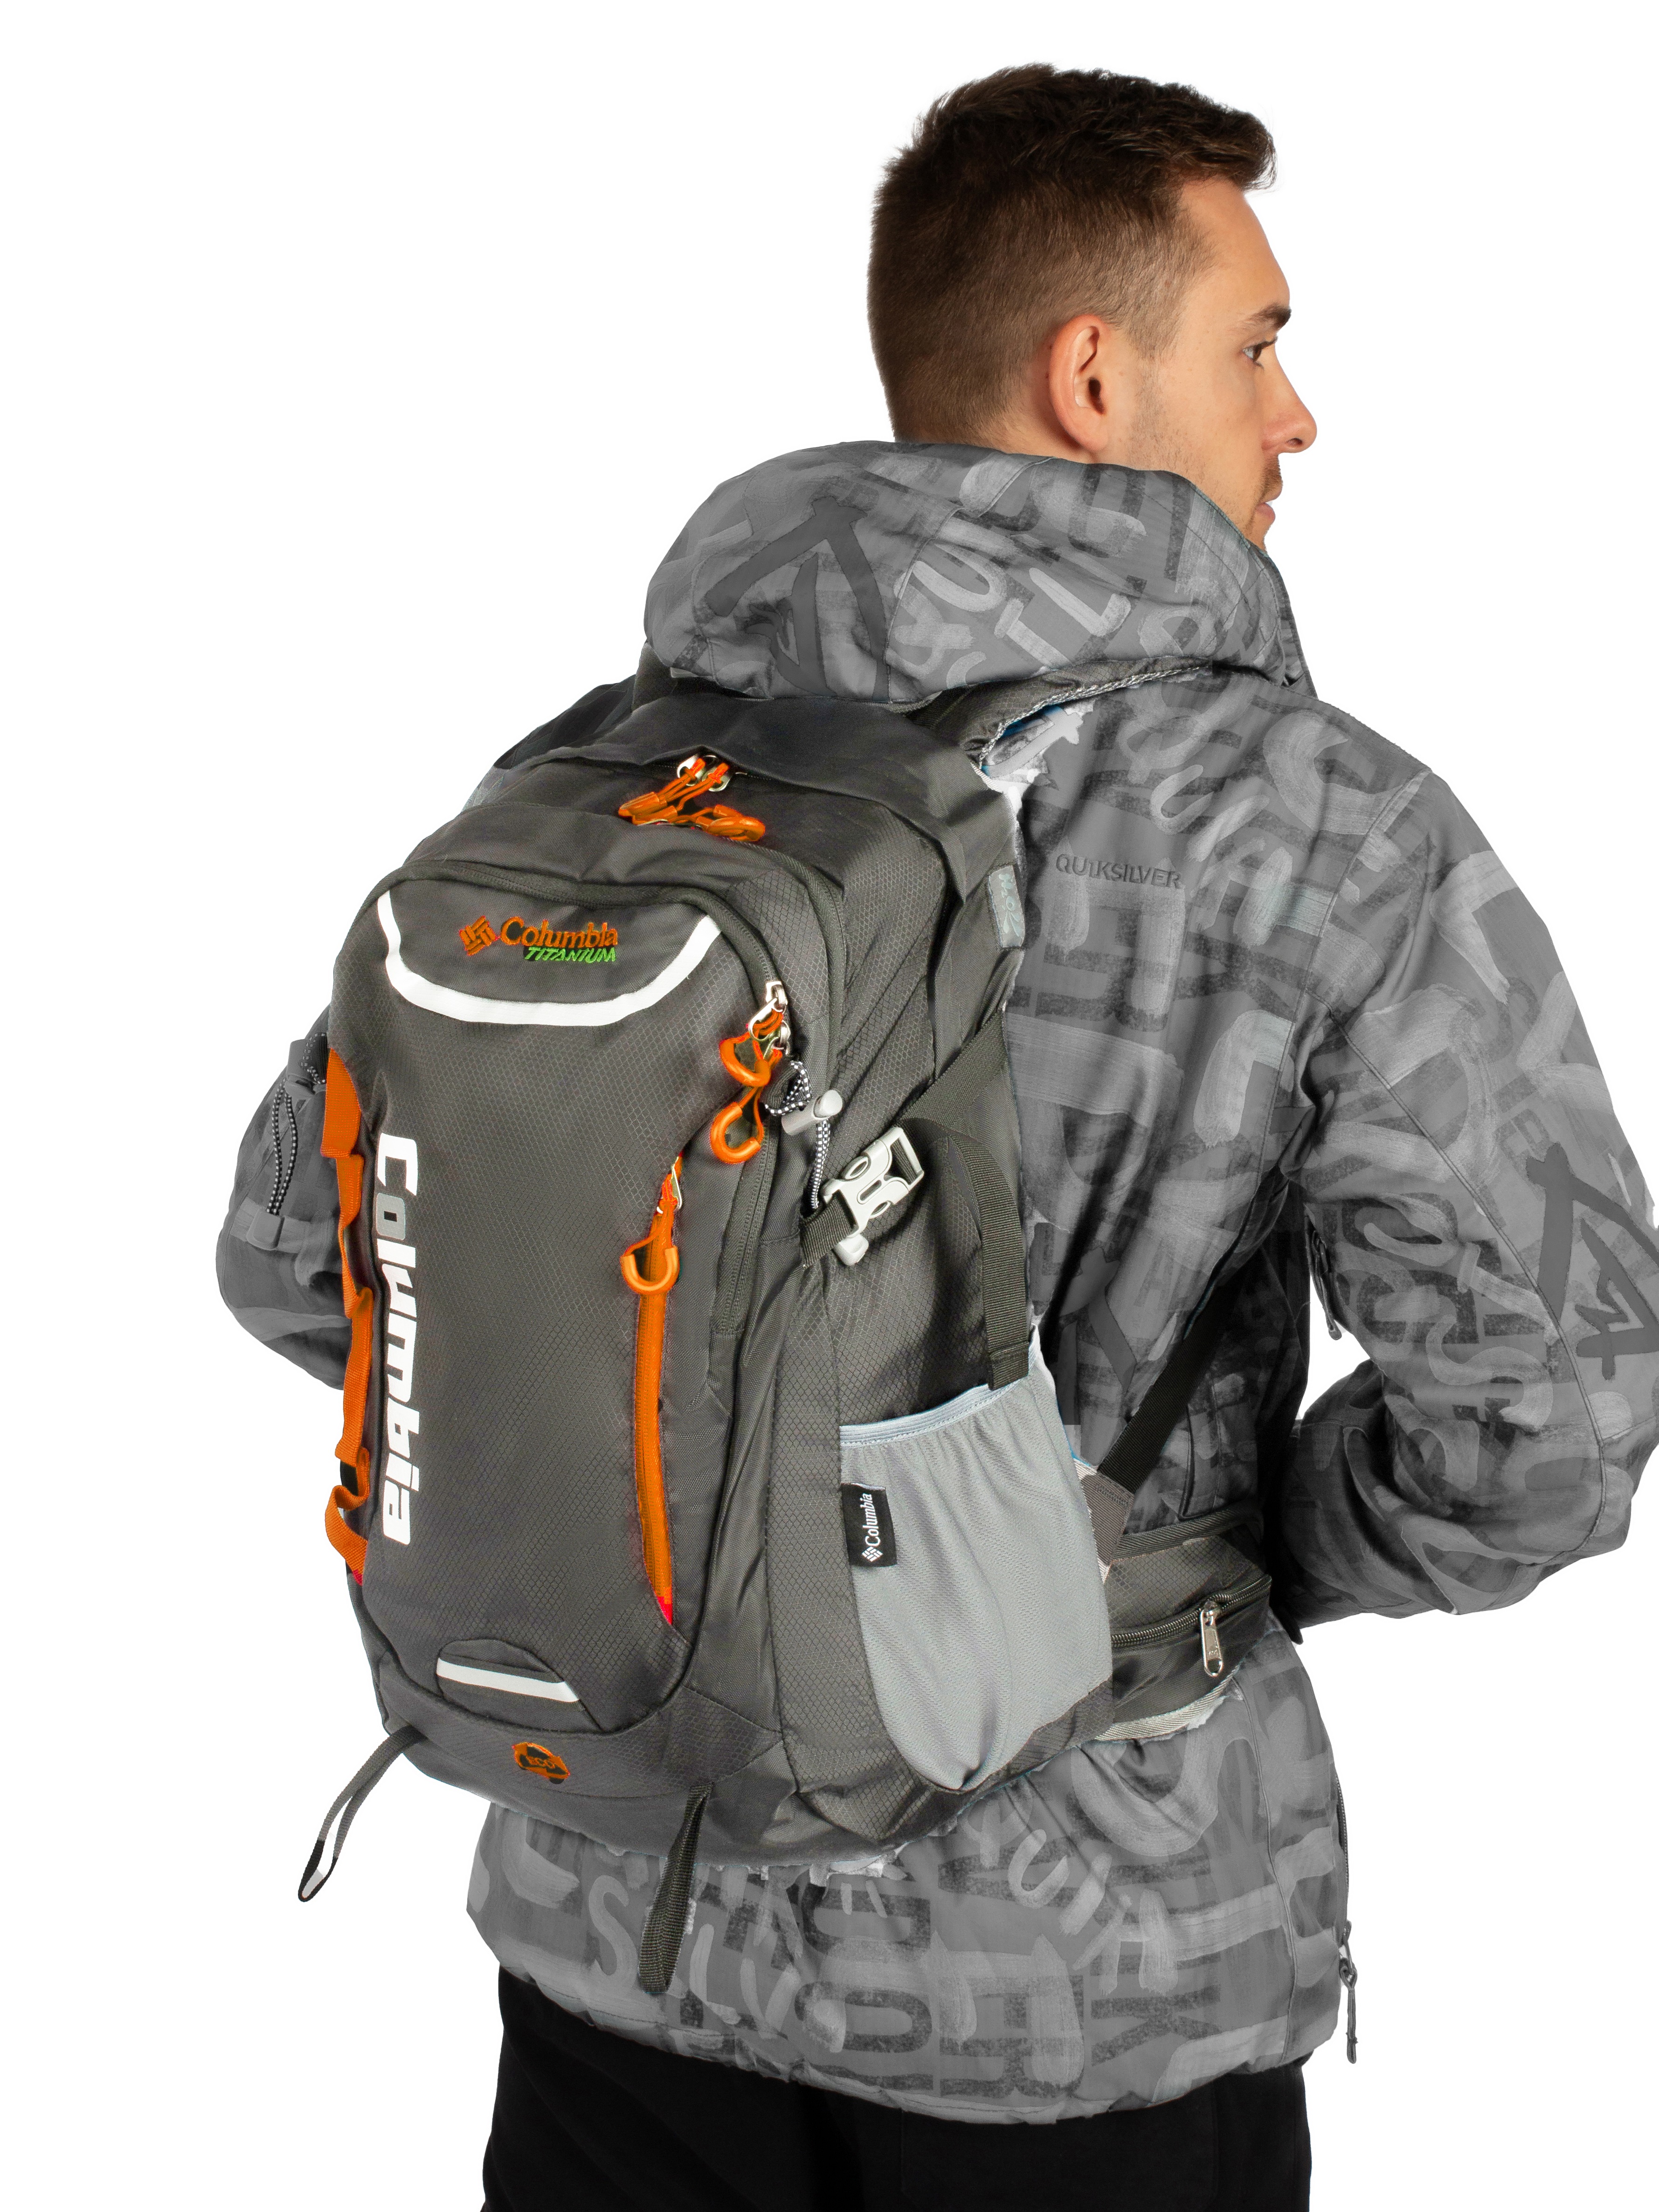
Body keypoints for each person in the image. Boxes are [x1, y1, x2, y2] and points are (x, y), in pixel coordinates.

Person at [220, 63, 1656, 2212]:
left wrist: (674, 1473)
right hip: (1090, 1997)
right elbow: (1552, 1412)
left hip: (621, 1931)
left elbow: (296, 1251)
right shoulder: (1317, 826)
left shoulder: (602, 780)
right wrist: (1232, 1555)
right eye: (1255, 346)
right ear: (1090, 376)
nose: (1296, 416)